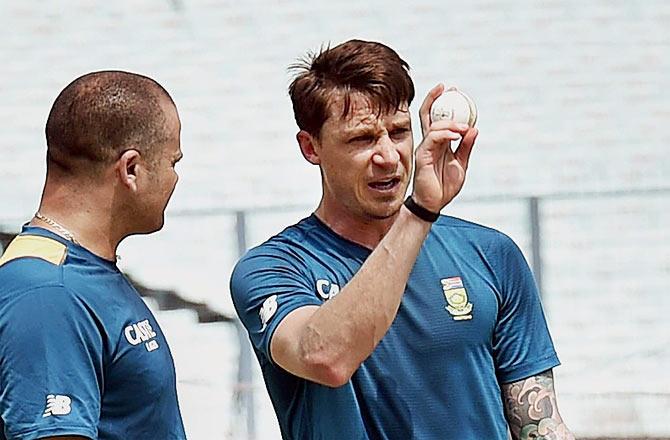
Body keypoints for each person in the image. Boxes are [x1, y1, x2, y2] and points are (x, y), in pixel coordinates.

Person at [231, 40, 574, 439]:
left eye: (399, 132)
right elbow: (326, 358)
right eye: (362, 140)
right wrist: (421, 211)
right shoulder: (274, 268)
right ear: (312, 147)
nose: (389, 157)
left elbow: (539, 425)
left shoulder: (491, 255)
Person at [0, 71, 186, 439]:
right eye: (172, 162)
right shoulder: (51, 291)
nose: (175, 179)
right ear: (131, 169)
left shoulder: (82, 273)